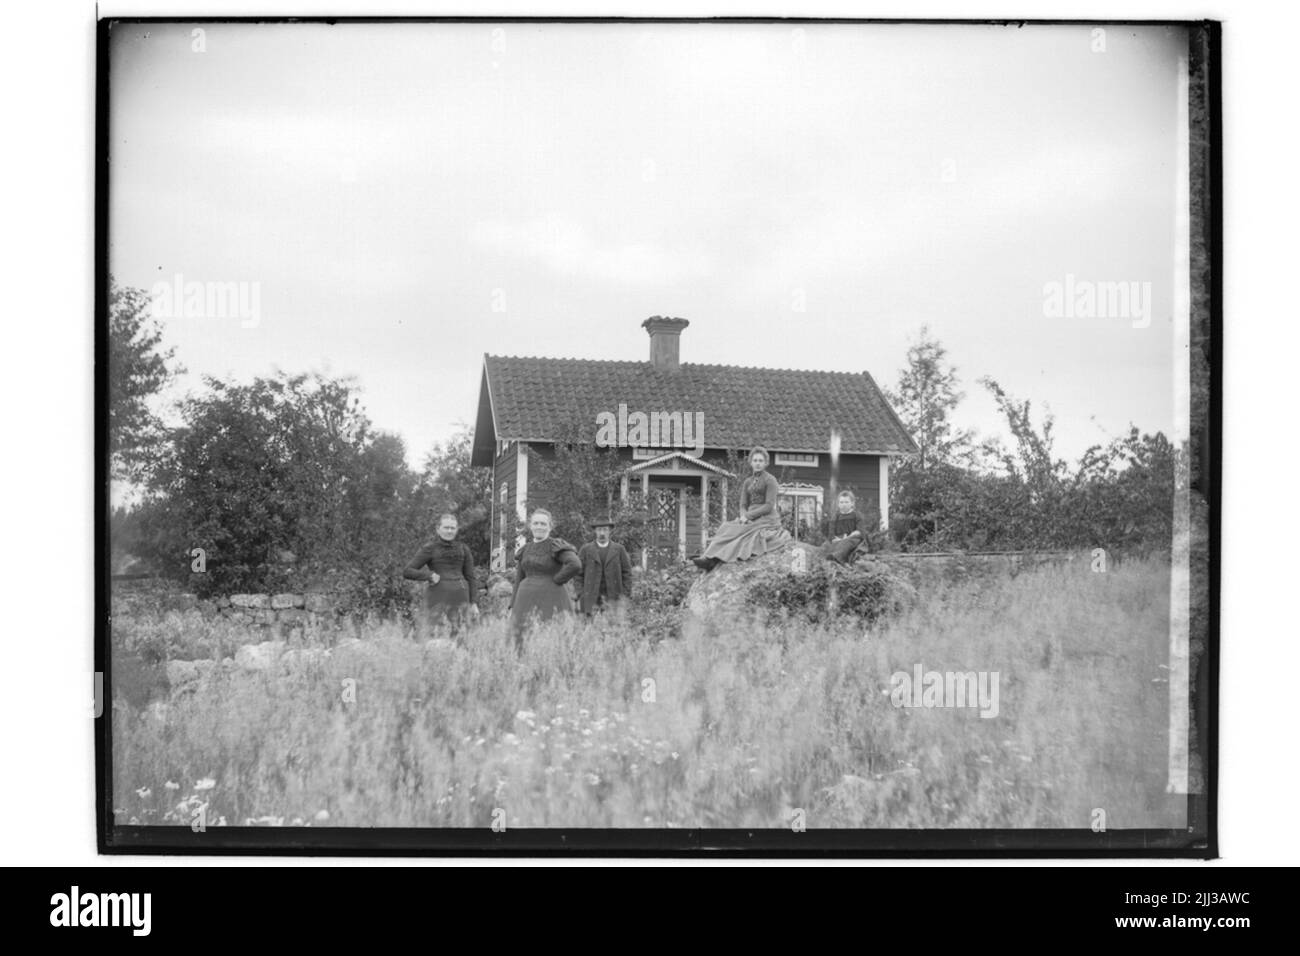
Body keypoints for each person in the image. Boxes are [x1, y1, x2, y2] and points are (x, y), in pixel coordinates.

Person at [691, 446, 791, 571]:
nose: (758, 463)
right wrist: (744, 516)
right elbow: (743, 505)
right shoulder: (747, 482)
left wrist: (749, 516)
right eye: (755, 461)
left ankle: (715, 558)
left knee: (740, 533)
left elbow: (769, 506)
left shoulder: (770, 480)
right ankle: (709, 558)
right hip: (749, 517)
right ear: (751, 462)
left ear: (765, 463)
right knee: (726, 527)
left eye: (760, 461)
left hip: (767, 518)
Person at [509, 508, 581, 650]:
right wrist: (512, 605)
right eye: (536, 523)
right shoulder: (526, 549)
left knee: (550, 637)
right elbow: (519, 578)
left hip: (550, 599)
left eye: (543, 524)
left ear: (550, 526)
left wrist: (556, 580)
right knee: (523, 640)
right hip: (524, 601)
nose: (539, 527)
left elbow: (575, 564)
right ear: (530, 526)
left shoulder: (555, 546)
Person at [402, 513, 479, 634]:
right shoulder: (429, 548)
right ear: (438, 529)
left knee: (462, 636)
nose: (449, 531)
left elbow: (471, 577)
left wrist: (473, 602)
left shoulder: (464, 549)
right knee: (428, 633)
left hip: (461, 597)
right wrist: (428, 576)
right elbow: (407, 571)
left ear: (457, 529)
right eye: (446, 527)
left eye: (452, 528)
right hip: (437, 596)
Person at [577, 516, 633, 616]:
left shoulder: (619, 549)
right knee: (590, 627)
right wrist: (581, 594)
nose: (602, 533)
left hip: (613, 596)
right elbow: (577, 574)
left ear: (610, 531)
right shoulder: (586, 550)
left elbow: (627, 574)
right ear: (595, 531)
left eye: (605, 530)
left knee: (613, 627)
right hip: (590, 596)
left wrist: (624, 595)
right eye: (599, 530)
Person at [820, 490, 865, 564]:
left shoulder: (856, 515)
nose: (844, 504)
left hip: (852, 538)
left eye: (846, 502)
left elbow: (859, 532)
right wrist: (833, 539)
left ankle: (836, 558)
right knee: (826, 545)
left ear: (852, 503)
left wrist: (847, 537)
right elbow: (831, 531)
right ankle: (822, 557)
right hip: (838, 538)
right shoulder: (836, 516)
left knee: (845, 544)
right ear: (838, 504)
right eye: (841, 502)